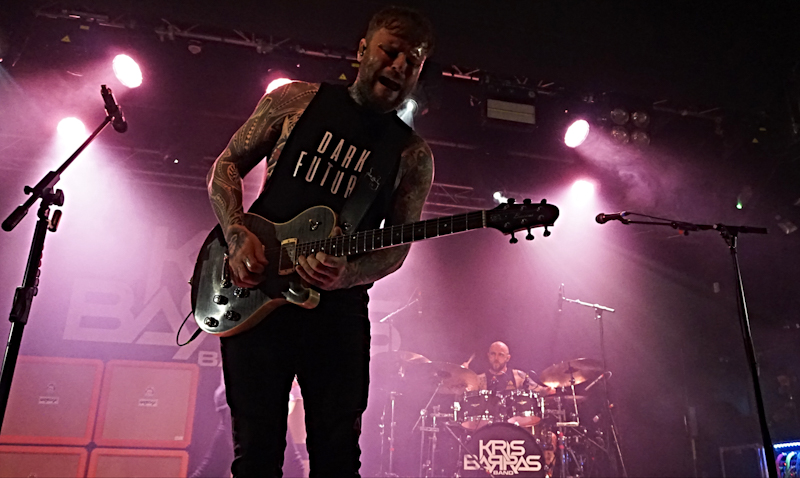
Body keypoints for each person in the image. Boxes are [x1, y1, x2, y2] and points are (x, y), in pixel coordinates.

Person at [206, 6, 435, 477]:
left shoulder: (411, 155)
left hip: (337, 316)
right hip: (257, 295)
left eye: (412, 62)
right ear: (362, 50)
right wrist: (236, 235)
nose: (399, 66)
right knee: (256, 455)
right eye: (391, 52)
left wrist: (348, 274)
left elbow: (396, 247)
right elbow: (225, 166)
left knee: (337, 459)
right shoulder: (296, 101)